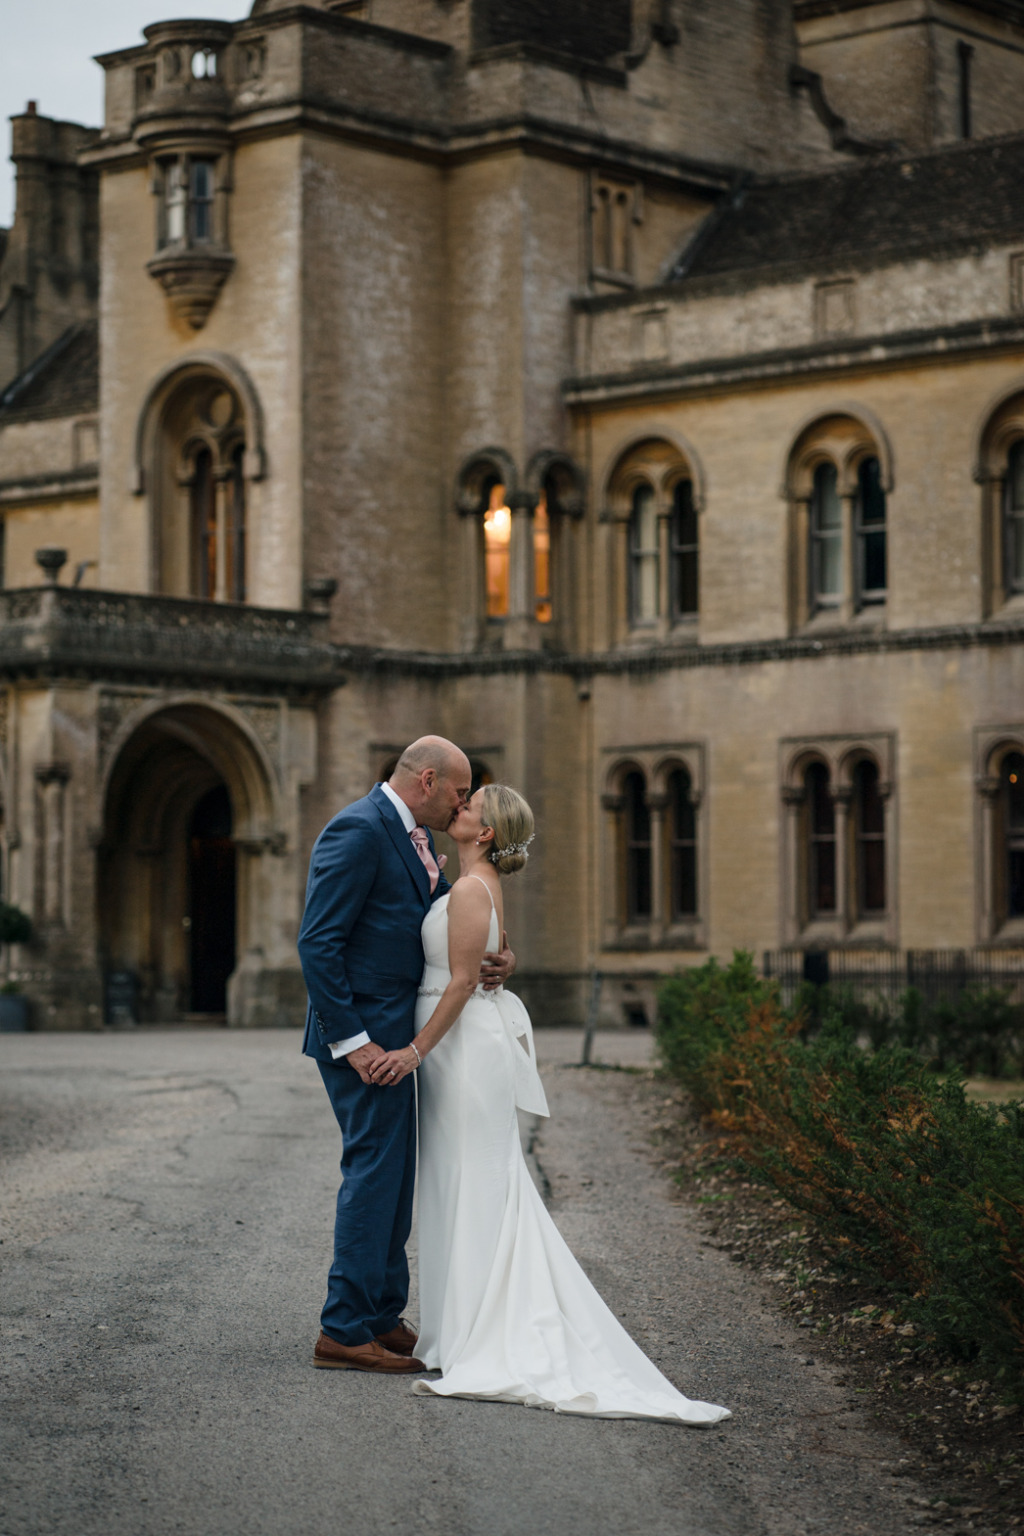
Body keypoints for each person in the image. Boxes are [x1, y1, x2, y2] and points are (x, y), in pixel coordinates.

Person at [370, 783, 731, 1425]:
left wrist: (414, 1052)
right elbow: (479, 961)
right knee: (459, 1182)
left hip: (458, 1050)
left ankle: (482, 1334)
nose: (459, 804)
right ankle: (459, 1332)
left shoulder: (473, 889)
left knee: (478, 1183)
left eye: (471, 803)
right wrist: (501, 960)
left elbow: (459, 982)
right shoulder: (468, 885)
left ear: (484, 833)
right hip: (459, 1048)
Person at [297, 736, 514, 1374]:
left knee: (395, 1178)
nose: (463, 802)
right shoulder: (358, 831)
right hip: (364, 1041)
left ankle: (382, 1314)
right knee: (373, 1174)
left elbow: (444, 921)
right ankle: (342, 1329)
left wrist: (496, 956)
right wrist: (356, 1043)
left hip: (396, 1038)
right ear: (426, 781)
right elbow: (318, 945)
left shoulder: (417, 840)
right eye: (459, 790)